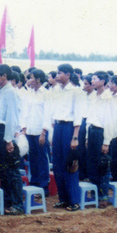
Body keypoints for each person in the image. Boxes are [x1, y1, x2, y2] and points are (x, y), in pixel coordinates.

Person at [0, 64, 25, 215]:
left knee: (12, 170)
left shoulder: (10, 92)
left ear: (4, 76)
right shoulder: (1, 92)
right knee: (2, 170)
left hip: (6, 132)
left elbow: (11, 117)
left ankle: (17, 204)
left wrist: (9, 139)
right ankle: (8, 201)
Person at [50, 64, 82, 211]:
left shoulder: (75, 91)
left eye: (60, 73)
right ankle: (63, 199)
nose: (57, 75)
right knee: (57, 164)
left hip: (69, 128)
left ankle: (73, 200)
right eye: (57, 73)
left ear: (68, 75)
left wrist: (75, 136)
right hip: (58, 127)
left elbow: (77, 115)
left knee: (70, 164)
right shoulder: (56, 90)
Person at [85, 71, 115, 208]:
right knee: (91, 163)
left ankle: (103, 196)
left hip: (102, 132)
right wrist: (86, 136)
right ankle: (94, 193)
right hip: (91, 131)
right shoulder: (92, 96)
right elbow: (89, 117)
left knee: (103, 164)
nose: (92, 81)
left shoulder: (108, 98)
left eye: (95, 79)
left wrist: (106, 142)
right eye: (92, 79)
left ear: (103, 81)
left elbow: (109, 121)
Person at [21, 69, 51, 194]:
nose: (29, 81)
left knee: (42, 158)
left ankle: (44, 186)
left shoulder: (46, 94)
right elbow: (25, 112)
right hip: (30, 130)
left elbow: (47, 114)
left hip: (40, 130)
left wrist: (43, 132)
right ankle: (34, 183)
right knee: (33, 157)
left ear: (38, 79)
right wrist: (24, 128)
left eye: (31, 78)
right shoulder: (30, 93)